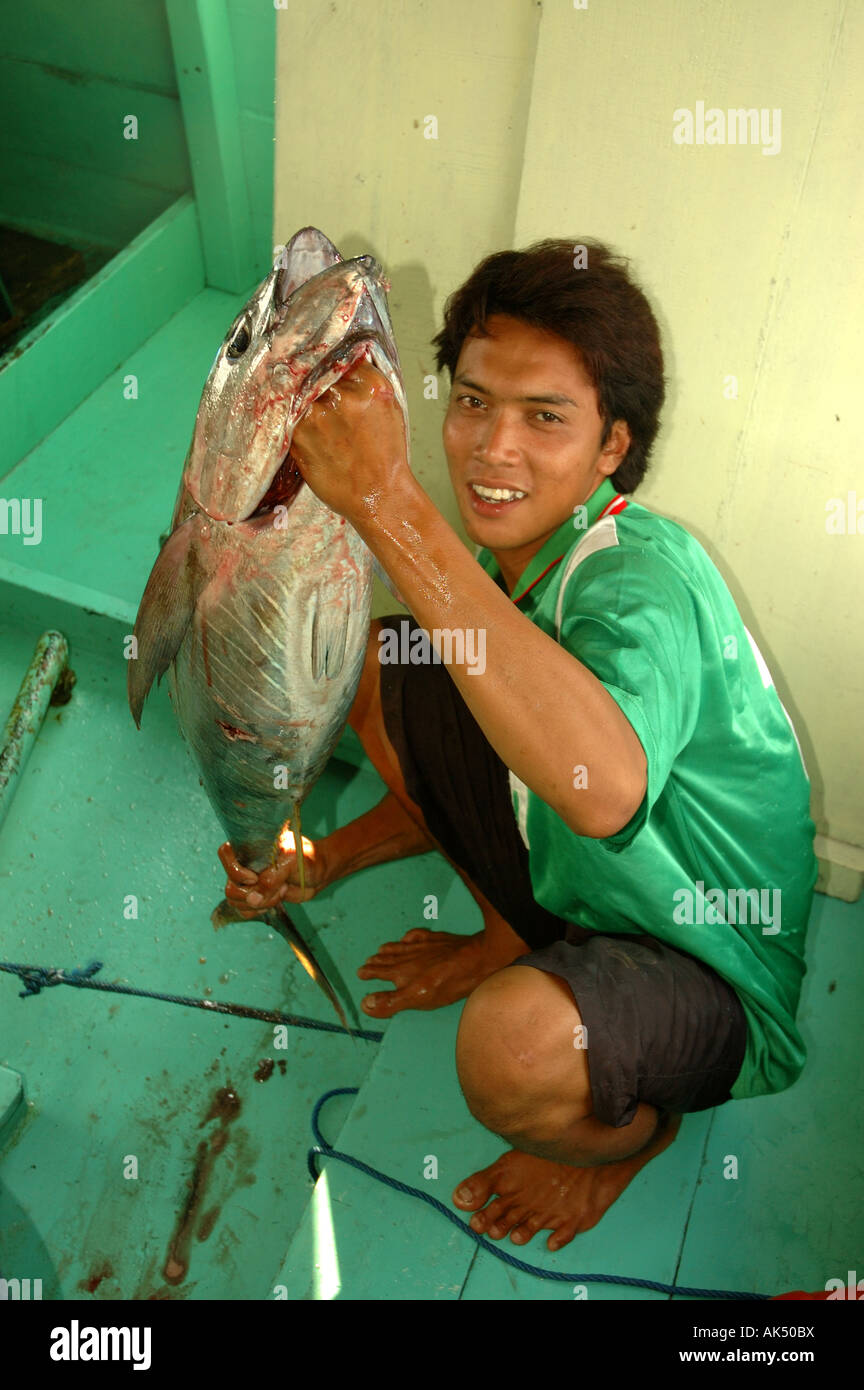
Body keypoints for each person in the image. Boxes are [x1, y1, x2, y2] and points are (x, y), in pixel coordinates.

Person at [218, 238, 817, 1252]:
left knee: (508, 1052)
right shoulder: (514, 566)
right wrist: (316, 862)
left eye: (546, 417)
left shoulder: (641, 579)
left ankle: (637, 1132)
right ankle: (513, 932)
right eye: (473, 402)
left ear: (613, 446)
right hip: (593, 887)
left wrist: (389, 503)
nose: (493, 449)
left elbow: (604, 792)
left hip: (705, 958)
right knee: (394, 660)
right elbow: (471, 774)